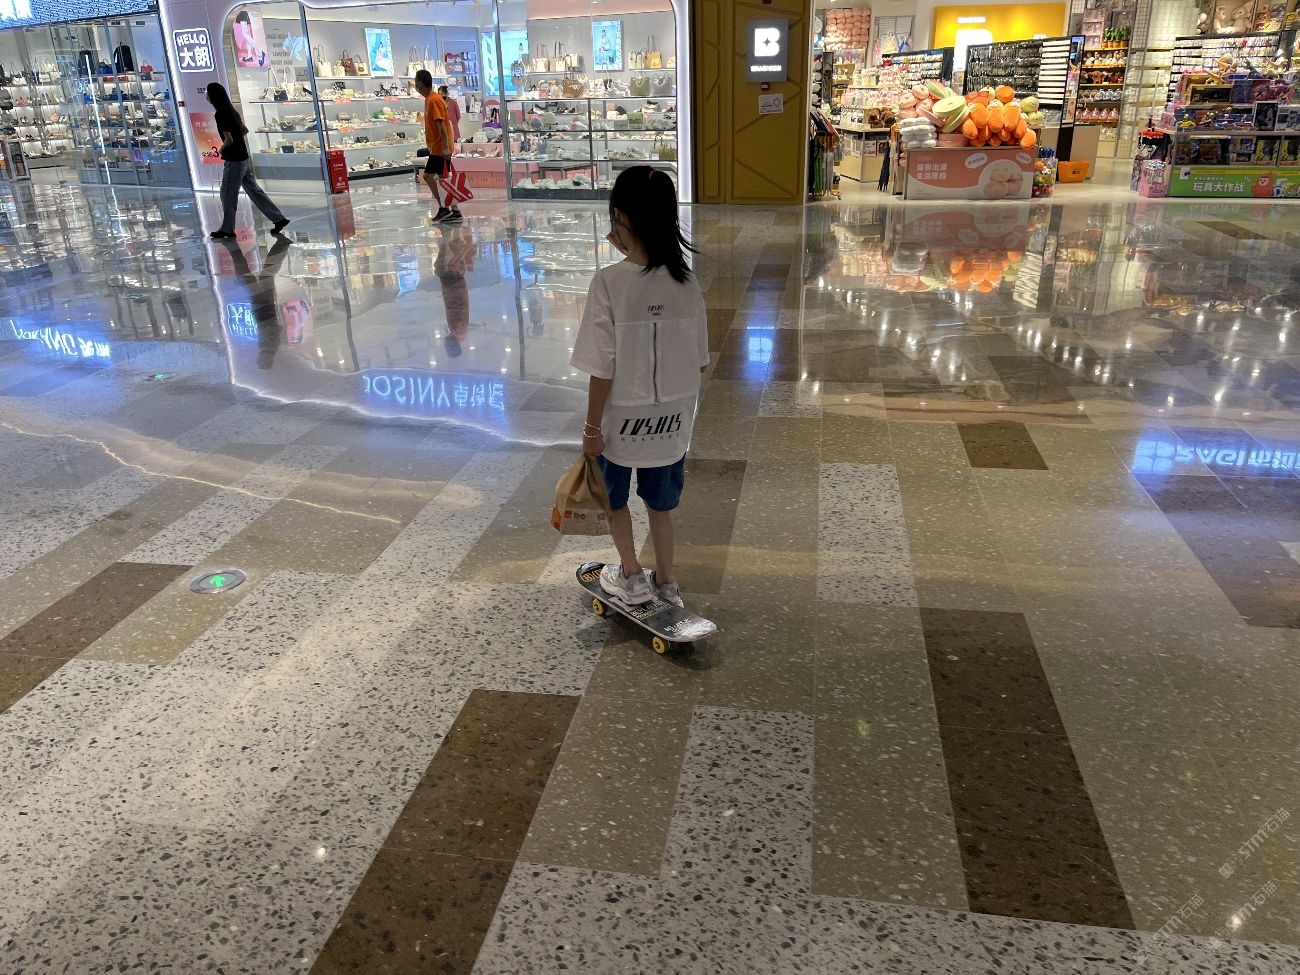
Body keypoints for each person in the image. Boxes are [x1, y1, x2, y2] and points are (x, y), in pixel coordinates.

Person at [570, 166, 709, 609]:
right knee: (661, 505)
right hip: (672, 422)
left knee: (616, 500)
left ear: (621, 217)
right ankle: (666, 581)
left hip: (621, 423)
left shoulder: (608, 283)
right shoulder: (687, 282)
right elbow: (699, 360)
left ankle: (631, 577)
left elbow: (601, 367)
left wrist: (591, 430)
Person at [205, 82, 289, 240]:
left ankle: (227, 228)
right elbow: (244, 130)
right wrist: (237, 141)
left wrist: (222, 149)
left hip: (234, 160)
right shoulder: (232, 111)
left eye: (207, 93)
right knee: (255, 191)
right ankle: (278, 218)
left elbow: (228, 139)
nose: (206, 95)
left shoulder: (220, 114)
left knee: (227, 194)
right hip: (243, 157)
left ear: (213, 96)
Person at [415, 69, 461, 224]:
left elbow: (441, 125)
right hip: (438, 147)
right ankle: (454, 210)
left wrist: (446, 148)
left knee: (428, 176)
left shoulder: (434, 100)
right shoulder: (430, 99)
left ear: (420, 83)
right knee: (443, 177)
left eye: (415, 82)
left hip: (439, 148)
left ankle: (443, 207)